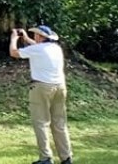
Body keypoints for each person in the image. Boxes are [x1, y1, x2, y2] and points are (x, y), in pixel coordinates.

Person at [10, 25, 74, 164]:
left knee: (41, 122)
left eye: (35, 35)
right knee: (59, 123)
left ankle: (45, 158)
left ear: (40, 37)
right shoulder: (56, 48)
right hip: (60, 87)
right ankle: (66, 157)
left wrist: (14, 38)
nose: (34, 37)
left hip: (42, 87)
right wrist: (26, 38)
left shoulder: (37, 49)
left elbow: (14, 52)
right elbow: (38, 48)